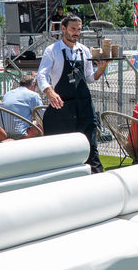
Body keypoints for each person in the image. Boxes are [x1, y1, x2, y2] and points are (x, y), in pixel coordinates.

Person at [36, 14, 107, 174]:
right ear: (63, 29)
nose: (76, 33)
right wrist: (49, 92)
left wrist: (99, 72)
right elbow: (41, 74)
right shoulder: (52, 50)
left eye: (79, 30)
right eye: (73, 29)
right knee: (61, 148)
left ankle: (96, 177)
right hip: (62, 106)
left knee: (90, 145)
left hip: (84, 106)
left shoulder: (84, 50)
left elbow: (89, 78)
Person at [0, 73, 42, 138]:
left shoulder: (7, 94)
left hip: (4, 133)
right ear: (32, 85)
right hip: (22, 135)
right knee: (46, 125)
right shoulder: (33, 95)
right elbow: (42, 116)